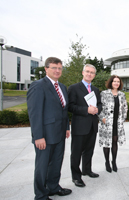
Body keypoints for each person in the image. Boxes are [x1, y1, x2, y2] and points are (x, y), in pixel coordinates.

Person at [27, 57, 72, 200]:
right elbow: (35, 113)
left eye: (60, 68)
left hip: (59, 133)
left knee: (57, 162)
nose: (57, 70)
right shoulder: (38, 85)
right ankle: (40, 195)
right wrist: (38, 136)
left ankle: (53, 187)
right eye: (54, 67)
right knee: (42, 166)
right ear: (46, 69)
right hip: (45, 135)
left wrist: (66, 127)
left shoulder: (62, 87)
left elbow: (63, 110)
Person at [68, 64, 102, 187]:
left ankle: (87, 170)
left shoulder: (96, 90)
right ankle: (76, 177)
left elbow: (99, 104)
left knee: (89, 150)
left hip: (92, 125)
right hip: (80, 126)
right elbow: (70, 106)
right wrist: (86, 110)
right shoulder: (74, 88)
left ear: (94, 75)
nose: (89, 74)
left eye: (92, 72)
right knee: (76, 152)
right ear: (83, 72)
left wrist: (98, 109)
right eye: (87, 71)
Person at [99, 75, 128, 173]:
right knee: (107, 143)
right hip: (107, 123)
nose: (116, 83)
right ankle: (107, 162)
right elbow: (99, 107)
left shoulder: (122, 95)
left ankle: (114, 161)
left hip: (117, 123)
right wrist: (102, 118)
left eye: (118, 81)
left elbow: (125, 108)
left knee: (115, 142)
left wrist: (122, 119)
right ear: (111, 82)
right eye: (114, 81)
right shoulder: (104, 93)